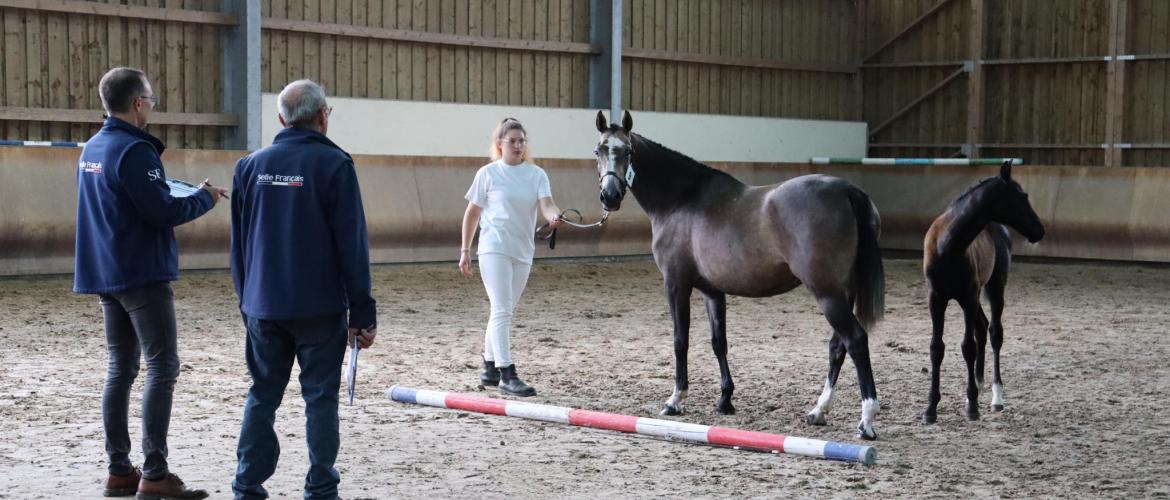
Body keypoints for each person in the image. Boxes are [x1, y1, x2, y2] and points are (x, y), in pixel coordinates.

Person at [75, 67, 225, 499]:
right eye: (152, 100)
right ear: (138, 103)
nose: (152, 107)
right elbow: (161, 211)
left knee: (120, 369)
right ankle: (155, 474)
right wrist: (204, 198)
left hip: (106, 271)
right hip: (141, 273)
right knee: (162, 367)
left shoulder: (92, 148)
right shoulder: (136, 151)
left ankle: (120, 468)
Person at [229, 79, 377, 500]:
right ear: (323, 115)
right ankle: (320, 487)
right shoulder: (335, 166)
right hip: (319, 307)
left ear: (281, 118)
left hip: (262, 305)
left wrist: (246, 298)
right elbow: (353, 245)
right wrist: (362, 312)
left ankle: (247, 484)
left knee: (262, 395)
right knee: (320, 399)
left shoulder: (249, 167)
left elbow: (238, 246)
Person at [459, 117, 563, 397]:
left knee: (502, 310)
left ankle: (489, 367)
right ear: (500, 144)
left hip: (522, 250)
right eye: (512, 141)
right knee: (503, 308)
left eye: (521, 141)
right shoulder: (488, 174)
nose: (518, 146)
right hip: (494, 248)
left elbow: (547, 204)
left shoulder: (537, 174)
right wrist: (465, 250)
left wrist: (554, 216)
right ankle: (507, 373)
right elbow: (472, 214)